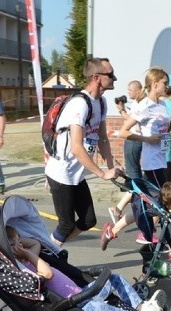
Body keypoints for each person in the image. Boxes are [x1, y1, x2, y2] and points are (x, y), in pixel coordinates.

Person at [6, 226, 164, 311]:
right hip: (74, 304)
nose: (19, 246)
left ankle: (141, 307)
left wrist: (18, 243)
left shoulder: (28, 258)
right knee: (97, 308)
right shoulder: (23, 270)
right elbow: (47, 273)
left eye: (20, 241)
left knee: (115, 279)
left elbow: (36, 243)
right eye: (13, 245)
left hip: (81, 293)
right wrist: (26, 253)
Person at [45, 57, 120, 245]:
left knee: (88, 220)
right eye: (110, 74)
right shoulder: (80, 104)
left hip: (76, 174)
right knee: (65, 225)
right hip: (61, 173)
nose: (115, 78)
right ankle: (45, 257)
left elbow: (102, 138)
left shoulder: (101, 102)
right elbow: (77, 148)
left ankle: (52, 253)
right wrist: (102, 173)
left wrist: (112, 166)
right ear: (96, 77)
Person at [99, 67, 171, 249]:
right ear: (155, 84)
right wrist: (147, 139)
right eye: (165, 83)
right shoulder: (144, 106)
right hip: (152, 163)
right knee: (166, 203)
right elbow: (123, 132)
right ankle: (157, 239)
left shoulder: (162, 104)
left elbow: (163, 130)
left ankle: (113, 231)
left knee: (155, 202)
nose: (167, 86)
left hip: (163, 159)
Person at [107, 79, 145, 225]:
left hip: (134, 141)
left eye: (130, 90)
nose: (128, 92)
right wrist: (122, 109)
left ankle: (119, 208)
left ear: (137, 90)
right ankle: (119, 208)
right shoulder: (137, 104)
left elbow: (132, 120)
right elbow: (129, 119)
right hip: (133, 141)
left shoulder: (140, 104)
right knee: (136, 179)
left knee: (136, 179)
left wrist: (122, 109)